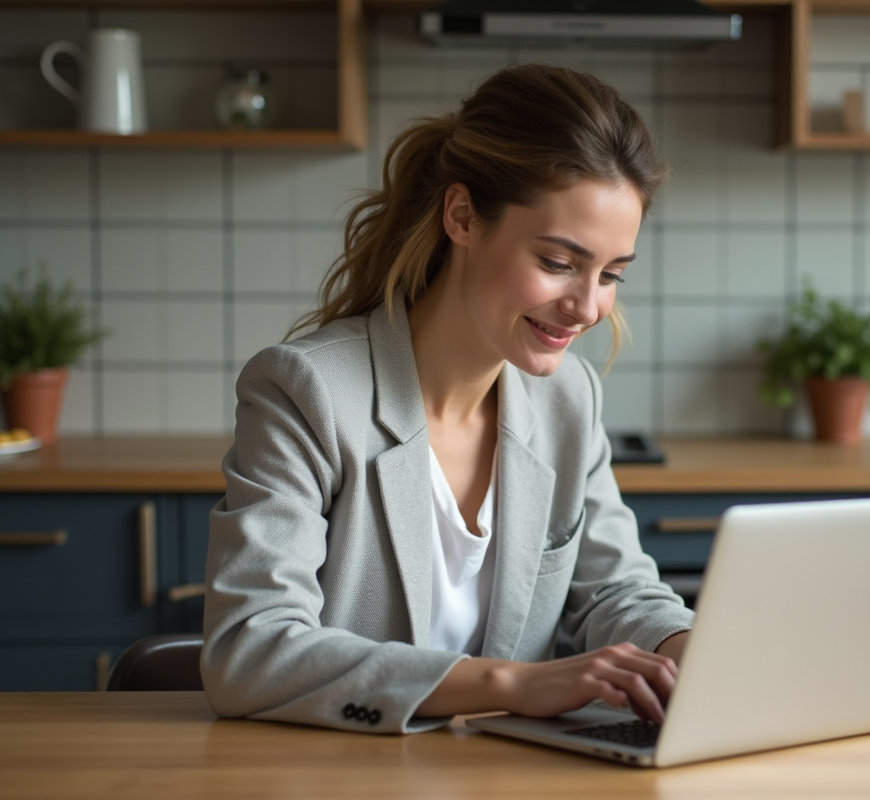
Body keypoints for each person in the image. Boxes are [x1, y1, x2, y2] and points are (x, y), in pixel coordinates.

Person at [201, 63, 694, 735]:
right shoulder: (308, 390)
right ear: (462, 217)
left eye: (611, 275)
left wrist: (682, 650)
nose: (587, 307)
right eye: (557, 263)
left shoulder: (569, 400)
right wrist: (510, 683)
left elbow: (614, 589)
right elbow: (248, 651)